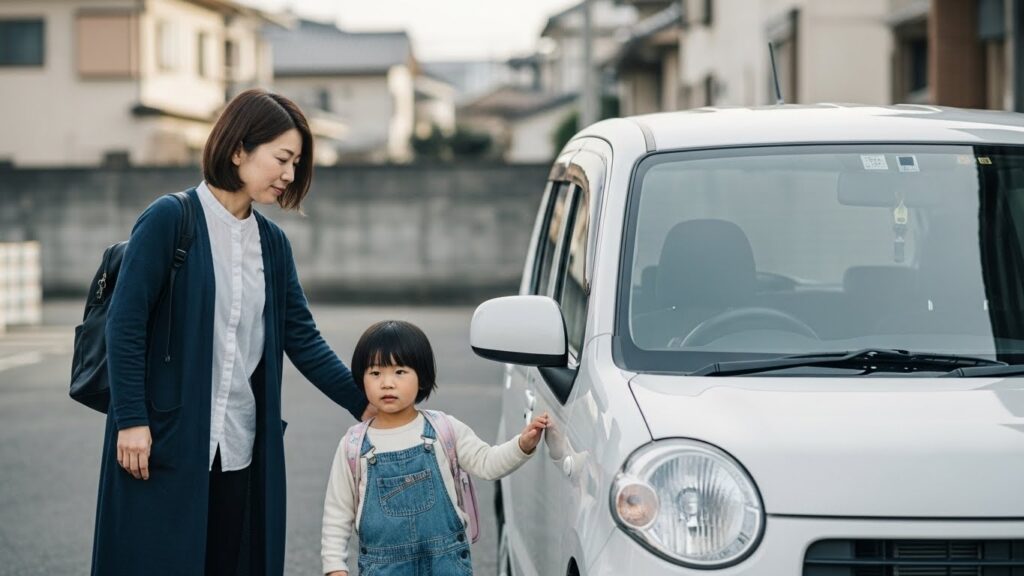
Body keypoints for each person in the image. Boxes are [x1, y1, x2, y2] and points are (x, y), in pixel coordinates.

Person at [91, 88, 372, 576]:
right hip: (161, 442)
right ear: (238, 148)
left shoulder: (272, 243)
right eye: (281, 158)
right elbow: (126, 323)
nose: (289, 174)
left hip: (239, 446)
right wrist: (131, 420)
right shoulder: (169, 219)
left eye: (296, 162)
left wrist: (366, 402)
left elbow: (302, 338)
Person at [321, 320, 549, 576]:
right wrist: (335, 567)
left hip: (446, 562)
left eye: (399, 372)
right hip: (383, 567)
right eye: (375, 373)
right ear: (361, 379)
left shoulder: (444, 430)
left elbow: (487, 462)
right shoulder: (354, 445)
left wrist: (522, 445)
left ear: (422, 378)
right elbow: (337, 513)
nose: (387, 383)